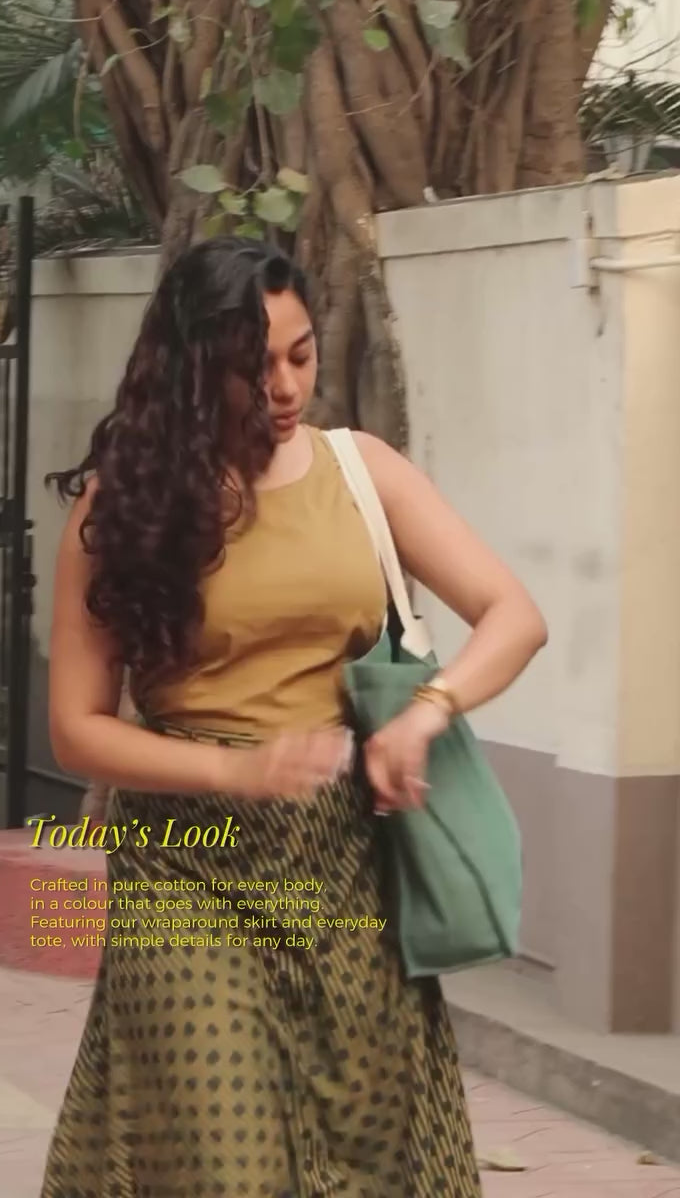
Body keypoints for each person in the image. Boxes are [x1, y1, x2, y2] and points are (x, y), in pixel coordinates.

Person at [40, 236, 547, 1198]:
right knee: (223, 1165)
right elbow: (76, 728)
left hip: (344, 862)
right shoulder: (127, 506)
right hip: (185, 864)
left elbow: (513, 616)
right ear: (194, 368)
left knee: (363, 1160)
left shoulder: (360, 471)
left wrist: (425, 714)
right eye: (253, 365)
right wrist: (235, 772)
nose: (284, 387)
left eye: (300, 355)